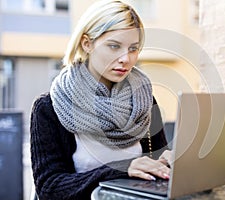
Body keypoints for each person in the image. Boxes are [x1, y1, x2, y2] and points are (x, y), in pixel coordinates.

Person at [30, 0, 171, 199]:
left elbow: (153, 163)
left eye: (133, 48)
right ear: (87, 43)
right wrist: (121, 169)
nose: (126, 58)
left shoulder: (145, 99)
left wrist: (167, 163)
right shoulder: (48, 107)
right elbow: (49, 187)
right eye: (114, 46)